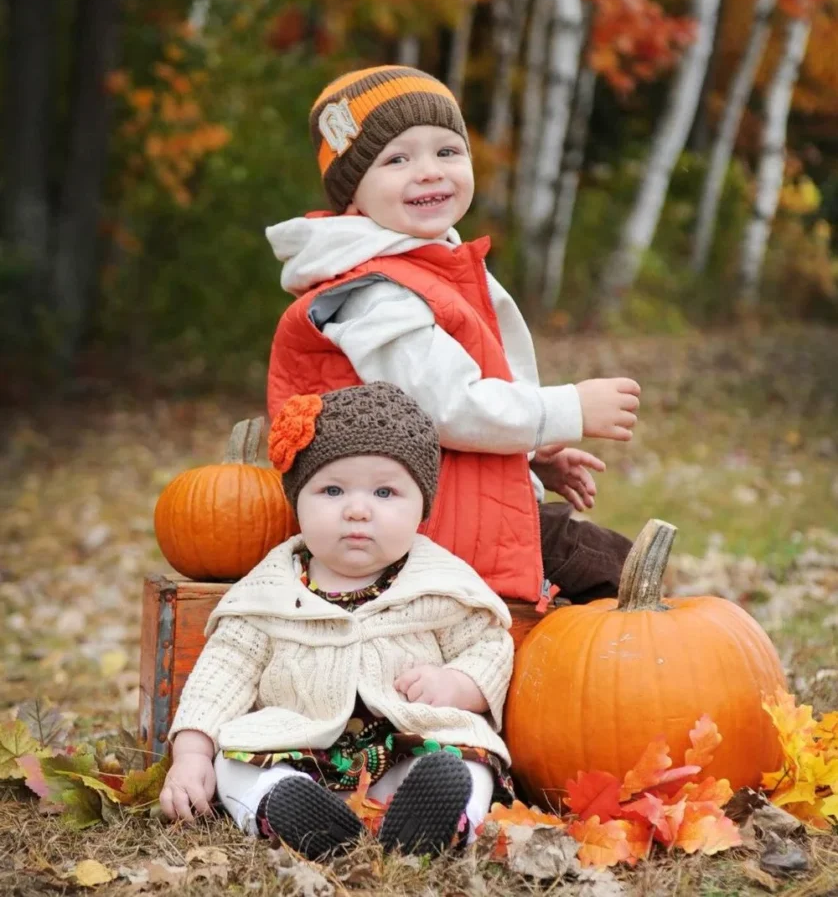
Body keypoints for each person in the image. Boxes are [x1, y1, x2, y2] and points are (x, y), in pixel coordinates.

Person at [265, 65, 641, 607]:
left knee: (602, 570)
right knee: (617, 572)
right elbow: (448, 406)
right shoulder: (376, 293)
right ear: (353, 195)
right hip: (406, 532)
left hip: (448, 507)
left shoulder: (427, 264)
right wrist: (564, 410)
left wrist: (529, 455)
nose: (427, 172)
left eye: (446, 151)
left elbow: (425, 414)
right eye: (396, 159)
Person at [159, 382, 515, 860]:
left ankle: (438, 818)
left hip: (407, 747)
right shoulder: (269, 593)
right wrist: (191, 754)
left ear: (422, 506)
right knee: (234, 764)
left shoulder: (441, 583)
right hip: (296, 749)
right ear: (296, 501)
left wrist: (458, 683)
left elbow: (491, 646)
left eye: (386, 491)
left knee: (469, 762)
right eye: (332, 489)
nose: (357, 509)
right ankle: (283, 810)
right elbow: (222, 673)